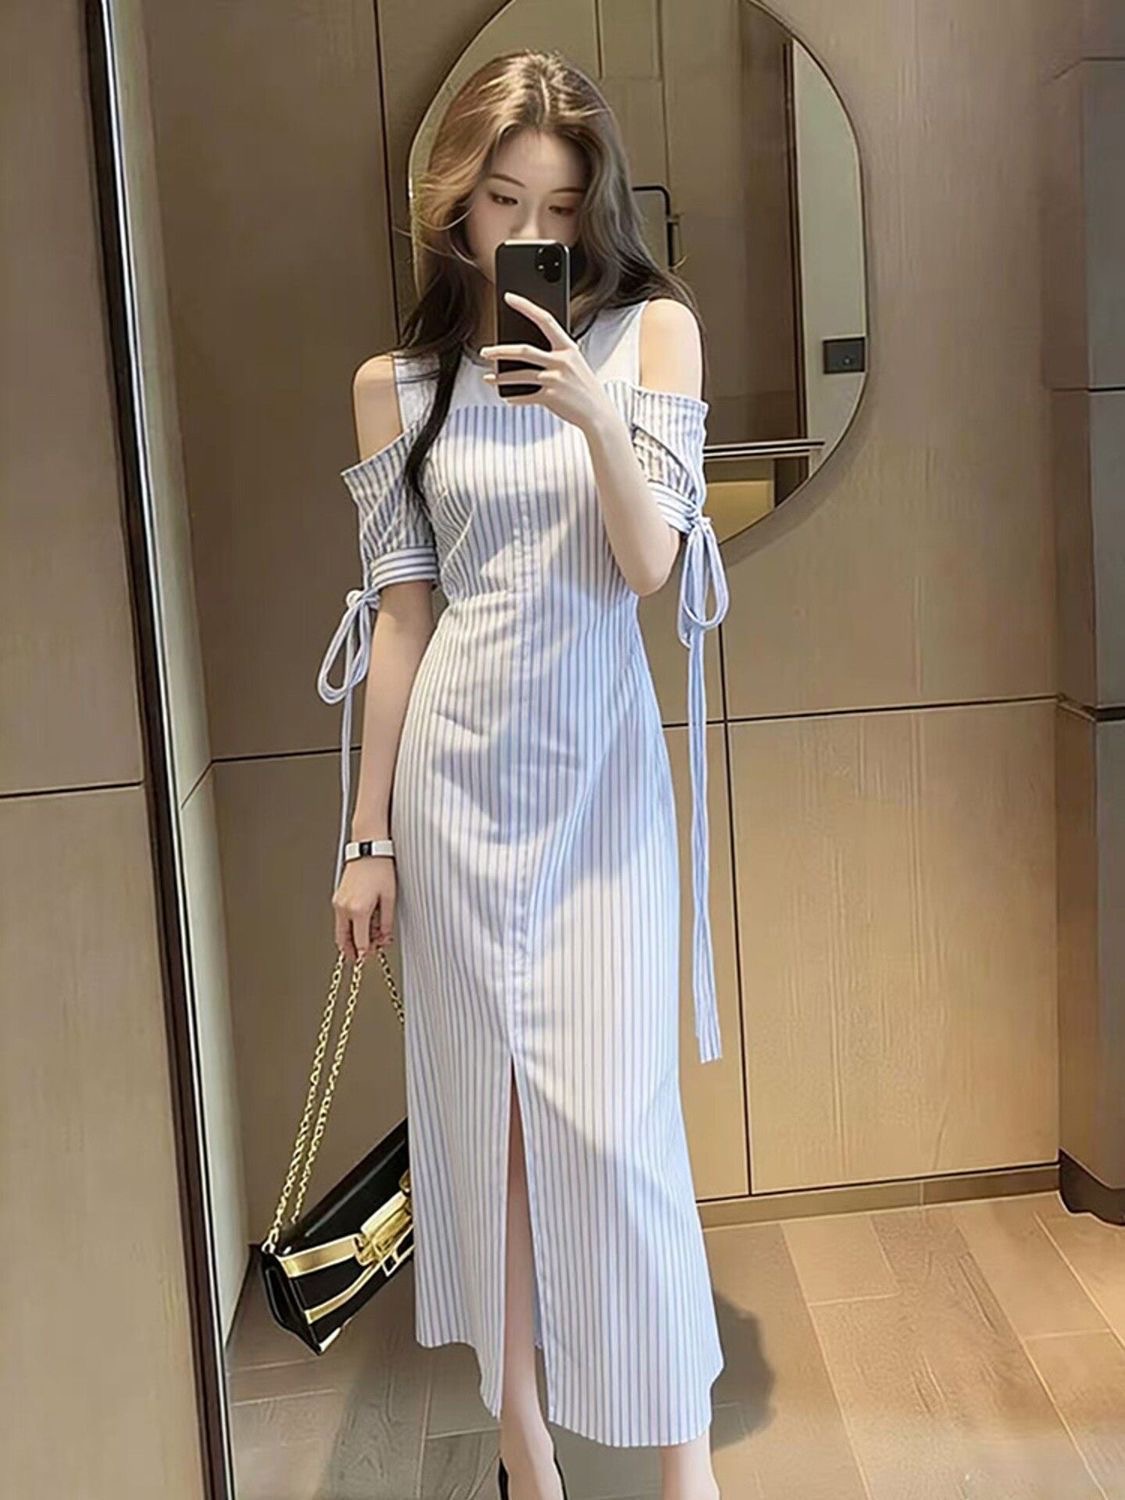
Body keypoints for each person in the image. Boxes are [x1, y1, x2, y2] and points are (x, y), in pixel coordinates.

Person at [316, 49, 728, 1500]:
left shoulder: (651, 335)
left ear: (592, 206)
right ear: (456, 201)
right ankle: (523, 1446)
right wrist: (365, 835)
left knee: (619, 1128)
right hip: (452, 788)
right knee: (481, 1129)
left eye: (556, 204)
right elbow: (401, 620)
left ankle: (684, 1466)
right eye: (501, 201)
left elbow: (648, 565)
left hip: (600, 785)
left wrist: (590, 413)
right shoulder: (397, 387)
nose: (527, 230)